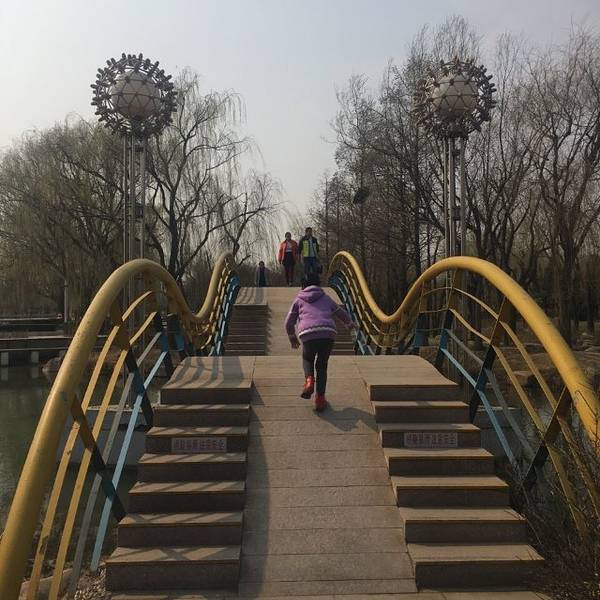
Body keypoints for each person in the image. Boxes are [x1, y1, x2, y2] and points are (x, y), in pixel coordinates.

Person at [284, 273, 356, 412]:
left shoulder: (299, 300)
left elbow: (288, 323)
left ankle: (309, 381)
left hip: (308, 334)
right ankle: (320, 399)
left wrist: (293, 338)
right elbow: (340, 312)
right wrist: (349, 323)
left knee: (307, 359)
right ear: (319, 284)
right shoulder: (326, 298)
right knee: (322, 366)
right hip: (328, 333)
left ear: (303, 286)